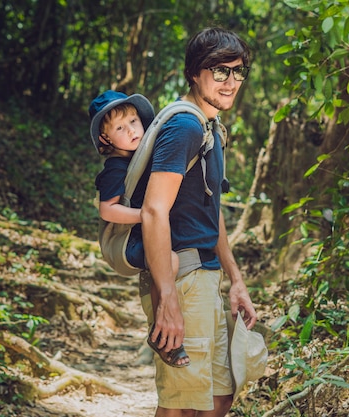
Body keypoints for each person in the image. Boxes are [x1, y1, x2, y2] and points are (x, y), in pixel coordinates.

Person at [138, 27, 257, 416]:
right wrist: (167, 298)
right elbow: (154, 210)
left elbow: (212, 210)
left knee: (218, 397)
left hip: (205, 277)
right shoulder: (185, 127)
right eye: (219, 71)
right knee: (181, 405)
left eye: (238, 72)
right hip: (181, 278)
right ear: (194, 73)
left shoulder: (211, 128)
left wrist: (235, 280)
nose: (230, 81)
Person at [89, 90, 190, 367]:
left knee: (167, 260)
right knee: (168, 261)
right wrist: (146, 216)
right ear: (105, 139)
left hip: (145, 233)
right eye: (120, 127)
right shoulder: (115, 168)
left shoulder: (141, 158)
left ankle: (161, 328)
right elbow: (107, 210)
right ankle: (162, 330)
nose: (132, 130)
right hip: (127, 242)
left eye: (134, 121)